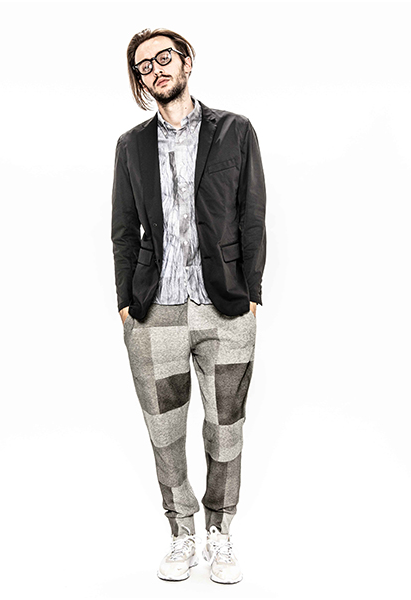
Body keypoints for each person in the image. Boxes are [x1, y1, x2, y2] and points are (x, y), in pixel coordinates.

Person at [111, 28, 267, 585]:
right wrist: (125, 303)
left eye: (164, 57)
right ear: (139, 80)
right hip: (154, 310)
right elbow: (123, 230)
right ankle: (181, 532)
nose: (156, 69)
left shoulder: (235, 131)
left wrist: (252, 294)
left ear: (186, 61)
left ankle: (221, 532)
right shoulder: (130, 145)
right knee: (165, 433)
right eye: (144, 66)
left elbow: (252, 216)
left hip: (225, 308)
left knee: (226, 429)